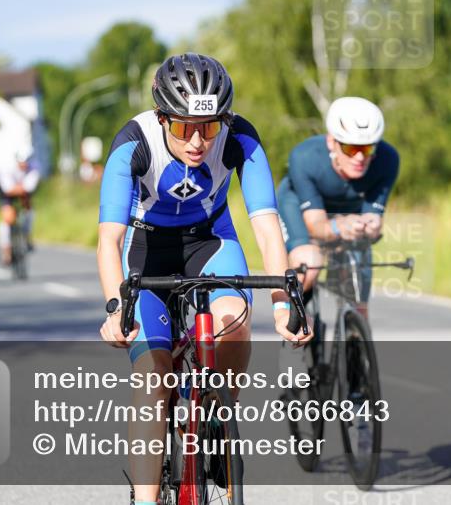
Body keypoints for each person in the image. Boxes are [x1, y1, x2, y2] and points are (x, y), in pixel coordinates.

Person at [96, 52, 311, 503]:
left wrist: (282, 304)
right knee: (152, 376)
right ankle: (147, 497)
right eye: (183, 127)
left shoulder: (242, 138)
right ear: (162, 118)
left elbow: (267, 226)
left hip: (210, 241)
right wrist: (116, 310)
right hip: (147, 252)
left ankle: (218, 419)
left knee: (234, 321)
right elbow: (109, 240)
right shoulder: (133, 143)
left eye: (209, 127)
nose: (197, 141)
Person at [276, 97, 399, 315]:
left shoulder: (388, 159)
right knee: (309, 265)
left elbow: (374, 220)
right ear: (332, 142)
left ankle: (355, 336)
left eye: (368, 148)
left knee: (358, 283)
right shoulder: (304, 157)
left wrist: (369, 227)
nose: (360, 157)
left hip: (348, 210)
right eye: (351, 148)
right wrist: (338, 227)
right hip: (299, 207)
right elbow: (316, 226)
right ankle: (291, 327)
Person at [0, 146, 40, 265]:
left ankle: (27, 237)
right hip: (7, 195)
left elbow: (29, 187)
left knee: (29, 211)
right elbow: (7, 189)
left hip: (23, 194)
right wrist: (20, 188)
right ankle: (6, 251)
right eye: (21, 162)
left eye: (26, 162)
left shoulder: (34, 168)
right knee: (7, 219)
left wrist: (20, 189)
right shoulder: (6, 168)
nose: (24, 165)